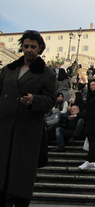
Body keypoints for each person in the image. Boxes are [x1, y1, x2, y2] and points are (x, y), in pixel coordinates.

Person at [0, 30, 56, 206]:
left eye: (33, 46)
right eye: (26, 46)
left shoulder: (47, 74)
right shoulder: (8, 70)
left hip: (27, 133)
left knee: (21, 179)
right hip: (4, 130)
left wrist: (34, 100)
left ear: (40, 48)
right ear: (21, 47)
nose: (29, 50)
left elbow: (51, 99)